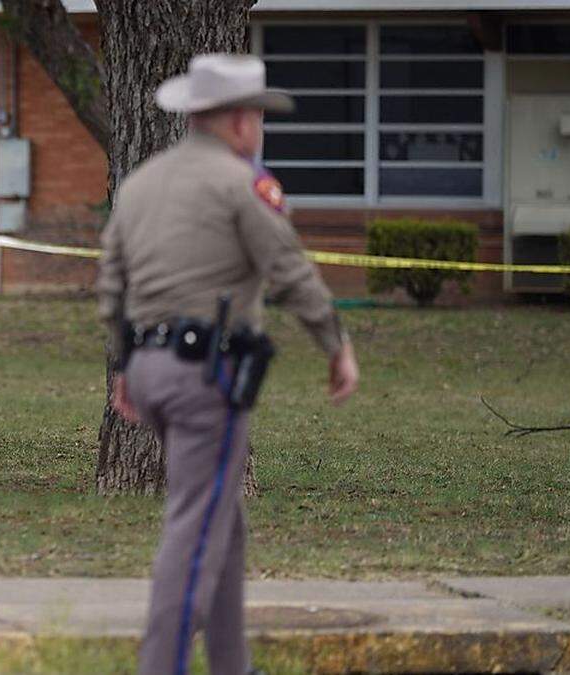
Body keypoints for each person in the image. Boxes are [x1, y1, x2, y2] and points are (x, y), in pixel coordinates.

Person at [95, 54, 360, 675]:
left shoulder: (139, 185)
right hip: (204, 378)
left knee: (222, 523)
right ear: (242, 120)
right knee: (194, 529)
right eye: (259, 117)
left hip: (151, 370)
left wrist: (124, 367)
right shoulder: (243, 183)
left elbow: (110, 288)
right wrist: (336, 343)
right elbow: (288, 269)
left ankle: (230, 665)